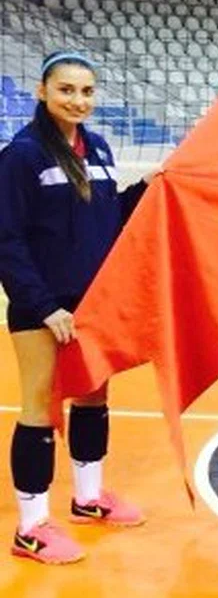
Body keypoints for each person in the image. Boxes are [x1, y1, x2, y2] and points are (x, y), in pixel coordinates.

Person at [0, 52, 148, 564]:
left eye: (86, 91)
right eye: (66, 90)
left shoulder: (99, 147)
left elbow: (109, 217)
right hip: (42, 307)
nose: (78, 100)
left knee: (92, 395)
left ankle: (88, 498)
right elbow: (7, 239)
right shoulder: (22, 156)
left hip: (92, 302)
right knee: (40, 406)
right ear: (42, 92)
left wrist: (150, 189)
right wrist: (43, 307)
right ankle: (30, 528)